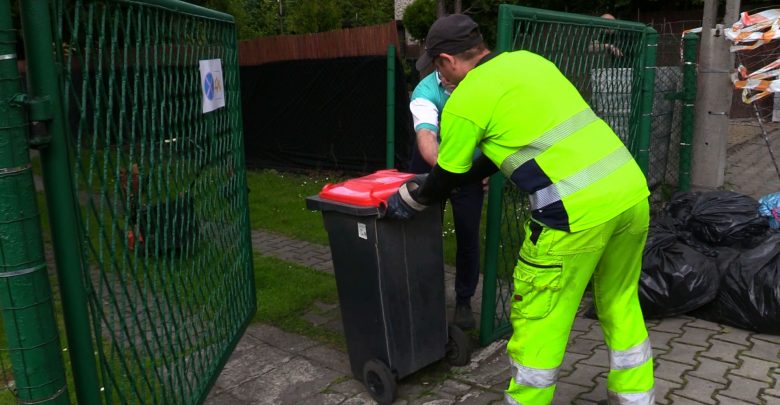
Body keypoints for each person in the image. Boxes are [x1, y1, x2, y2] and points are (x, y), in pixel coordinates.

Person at [385, 14, 654, 405]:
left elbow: (448, 172)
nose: (440, 77)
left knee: (539, 320)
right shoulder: (530, 62)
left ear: (446, 61)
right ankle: (635, 398)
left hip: (574, 214)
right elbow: (497, 157)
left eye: (438, 68)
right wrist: (448, 181)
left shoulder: (465, 99)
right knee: (620, 300)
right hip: (630, 194)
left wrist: (415, 199)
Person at [408, 69, 484, 330]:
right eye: (442, 66)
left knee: (468, 234)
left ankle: (464, 301)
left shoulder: (480, 85)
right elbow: (427, 135)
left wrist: (485, 167)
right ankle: (424, 296)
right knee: (423, 234)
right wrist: (448, 175)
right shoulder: (425, 91)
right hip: (431, 167)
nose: (449, 76)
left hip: (470, 170)